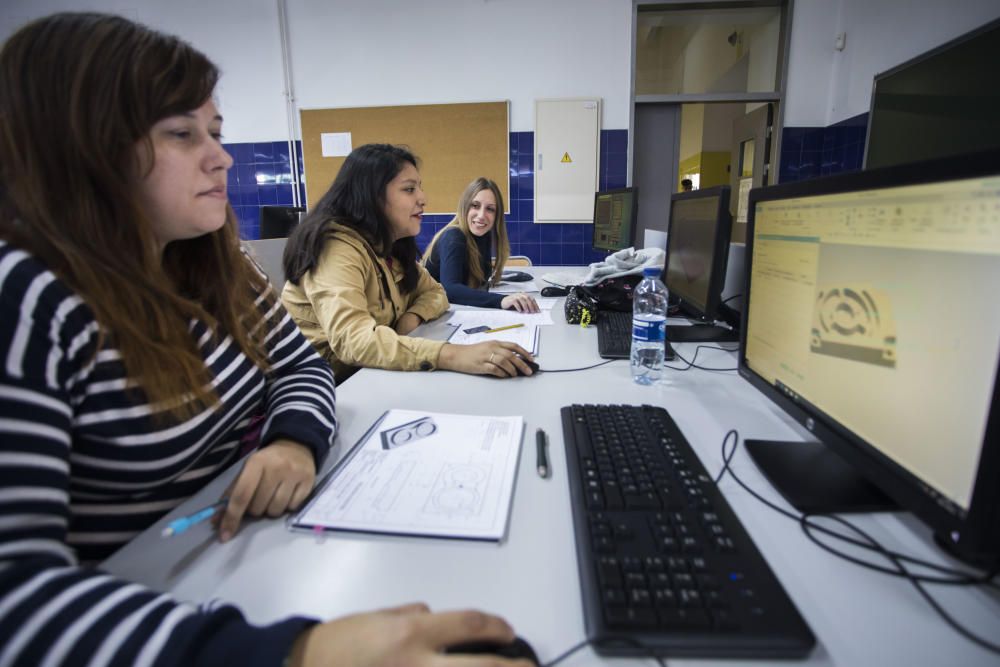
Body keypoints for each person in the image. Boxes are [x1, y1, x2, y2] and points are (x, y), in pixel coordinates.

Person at [0, 13, 526, 667]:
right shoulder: (26, 300)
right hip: (158, 605)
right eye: (182, 133)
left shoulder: (219, 268)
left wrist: (292, 439)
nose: (220, 155)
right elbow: (16, 596)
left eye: (215, 132)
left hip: (250, 548)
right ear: (82, 146)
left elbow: (302, 367)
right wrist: (292, 652)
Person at [281, 145, 536, 383]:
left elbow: (436, 292)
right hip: (332, 387)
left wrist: (413, 315)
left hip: (370, 376)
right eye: (409, 189)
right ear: (372, 196)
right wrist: (453, 354)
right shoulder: (335, 249)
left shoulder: (387, 248)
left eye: (419, 188)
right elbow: (355, 342)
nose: (423, 198)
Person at [422, 177, 539, 313]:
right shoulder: (453, 236)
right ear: (465, 207)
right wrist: (501, 300)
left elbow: (482, 281)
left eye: (490, 209)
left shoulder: (483, 235)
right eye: (475, 206)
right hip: (427, 317)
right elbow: (450, 289)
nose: (481, 215)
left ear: (497, 216)